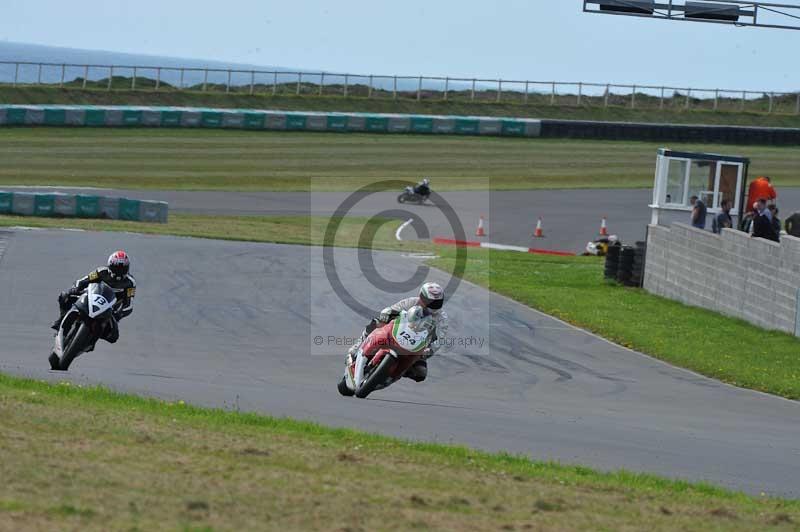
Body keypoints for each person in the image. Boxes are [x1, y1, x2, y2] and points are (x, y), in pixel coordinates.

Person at [347, 282, 448, 382]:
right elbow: (392, 309)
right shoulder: (411, 302)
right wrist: (386, 314)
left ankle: (395, 373)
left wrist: (429, 350)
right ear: (422, 297)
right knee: (376, 322)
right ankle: (357, 347)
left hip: (416, 345)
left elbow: (439, 339)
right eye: (430, 301)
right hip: (396, 332)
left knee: (420, 373)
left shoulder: (441, 318)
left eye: (437, 302)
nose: (433, 305)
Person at [51, 250, 136, 347]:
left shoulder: (130, 283)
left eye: (122, 268)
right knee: (65, 297)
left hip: (110, 310)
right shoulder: (101, 271)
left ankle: (91, 343)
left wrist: (119, 314)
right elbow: (83, 280)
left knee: (113, 337)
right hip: (91, 298)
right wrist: (75, 288)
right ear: (110, 265)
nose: (119, 270)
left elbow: (129, 304)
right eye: (116, 267)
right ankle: (61, 321)